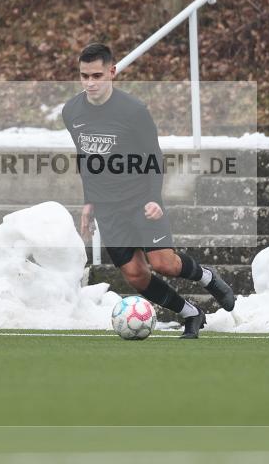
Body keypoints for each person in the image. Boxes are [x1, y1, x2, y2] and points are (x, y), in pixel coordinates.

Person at [62, 43, 235, 339]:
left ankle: (207, 277)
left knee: (164, 264)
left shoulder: (133, 111)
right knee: (135, 274)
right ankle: (190, 313)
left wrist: (155, 198)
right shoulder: (72, 112)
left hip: (140, 200)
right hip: (107, 206)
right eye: (84, 76)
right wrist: (88, 202)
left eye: (97, 75)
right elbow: (85, 159)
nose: (90, 83)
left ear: (112, 72)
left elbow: (154, 157)